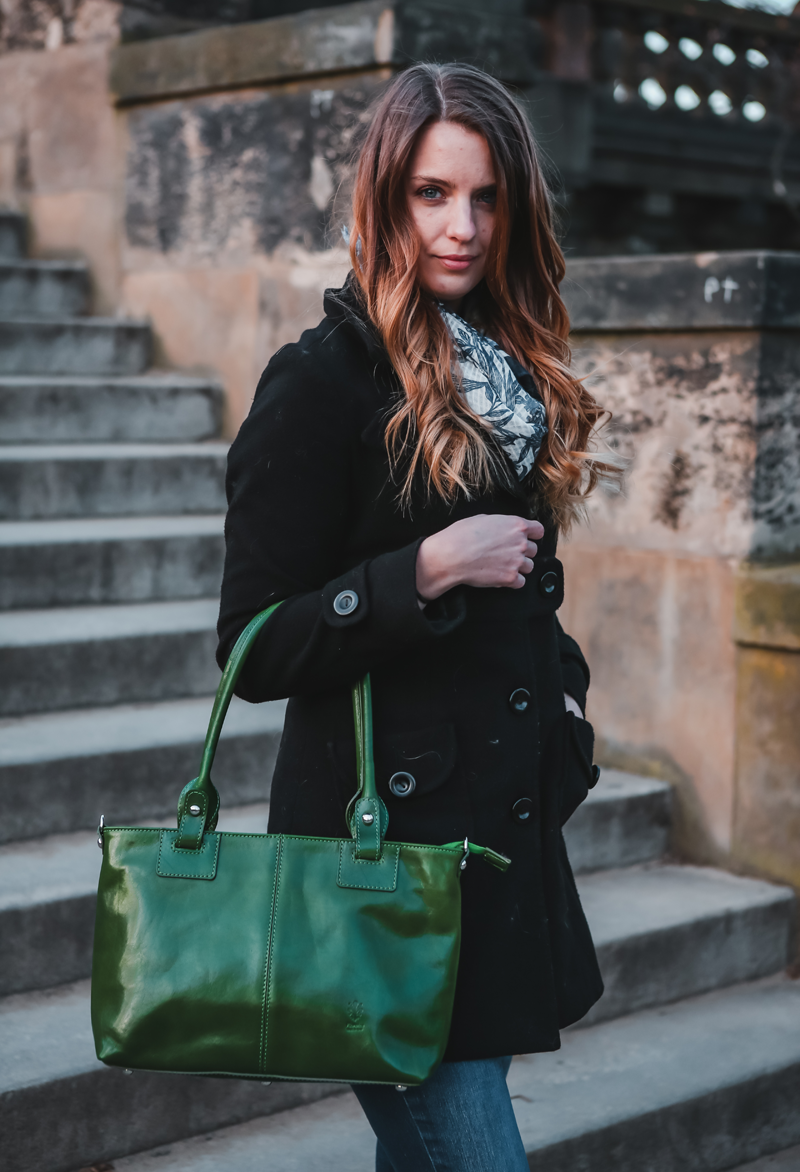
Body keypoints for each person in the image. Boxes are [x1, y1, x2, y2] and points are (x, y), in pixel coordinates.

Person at [217, 62, 618, 1172]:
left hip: (493, 848)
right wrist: (423, 570)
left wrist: (565, 710)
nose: (462, 227)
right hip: (382, 866)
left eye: (485, 198)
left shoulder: (511, 379)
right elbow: (252, 645)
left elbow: (528, 598)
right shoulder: (320, 382)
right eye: (431, 194)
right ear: (384, 197)